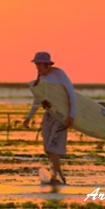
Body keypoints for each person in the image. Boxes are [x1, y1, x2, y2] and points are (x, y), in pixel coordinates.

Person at [23, 52, 77, 184]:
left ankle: (60, 178)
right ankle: (55, 175)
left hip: (61, 115)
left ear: (47, 65)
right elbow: (38, 98)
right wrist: (29, 117)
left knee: (53, 148)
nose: (37, 67)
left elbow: (72, 95)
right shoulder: (41, 78)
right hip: (48, 115)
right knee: (47, 149)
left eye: (39, 65)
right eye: (36, 65)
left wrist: (72, 115)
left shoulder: (59, 75)